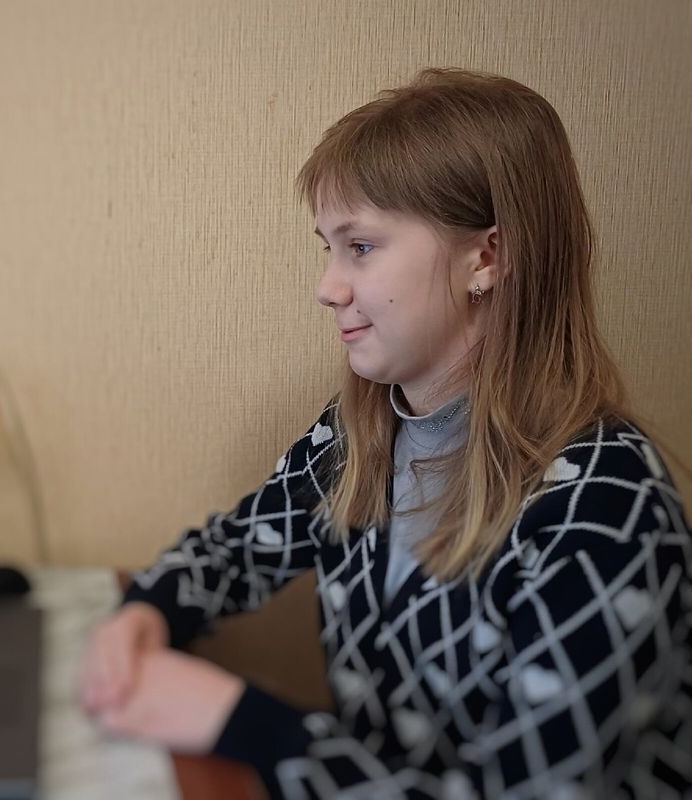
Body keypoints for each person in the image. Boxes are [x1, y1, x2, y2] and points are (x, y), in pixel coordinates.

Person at [80, 67, 692, 799]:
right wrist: (149, 608)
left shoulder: (609, 512)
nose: (327, 287)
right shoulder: (359, 433)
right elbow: (234, 551)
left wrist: (242, 721)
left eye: (361, 247)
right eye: (329, 248)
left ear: (488, 257)